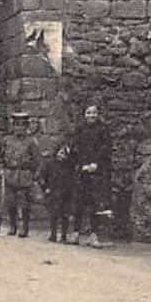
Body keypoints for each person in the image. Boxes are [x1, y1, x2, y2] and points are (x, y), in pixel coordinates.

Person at [71, 104, 113, 247]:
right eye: (88, 113)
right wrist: (82, 164)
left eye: (94, 113)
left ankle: (93, 235)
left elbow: (106, 148)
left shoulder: (103, 129)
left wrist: (96, 164)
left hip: (97, 173)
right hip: (82, 171)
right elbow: (75, 147)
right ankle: (76, 232)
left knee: (96, 204)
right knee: (79, 202)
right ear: (84, 114)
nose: (91, 116)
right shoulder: (79, 129)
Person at [0, 111, 42, 239]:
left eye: (22, 125)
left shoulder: (31, 142)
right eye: (17, 125)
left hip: (25, 176)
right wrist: (1, 169)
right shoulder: (6, 140)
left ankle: (24, 227)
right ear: (13, 126)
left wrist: (35, 175)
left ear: (26, 126)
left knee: (24, 203)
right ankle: (12, 225)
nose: (19, 128)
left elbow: (37, 160)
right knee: (10, 202)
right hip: (10, 174)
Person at [41, 142, 78, 243]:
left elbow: (73, 179)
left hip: (66, 193)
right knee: (53, 214)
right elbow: (42, 177)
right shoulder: (50, 164)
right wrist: (45, 188)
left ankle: (64, 236)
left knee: (65, 215)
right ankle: (53, 234)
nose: (61, 156)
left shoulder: (69, 166)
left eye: (64, 155)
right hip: (53, 192)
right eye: (60, 153)